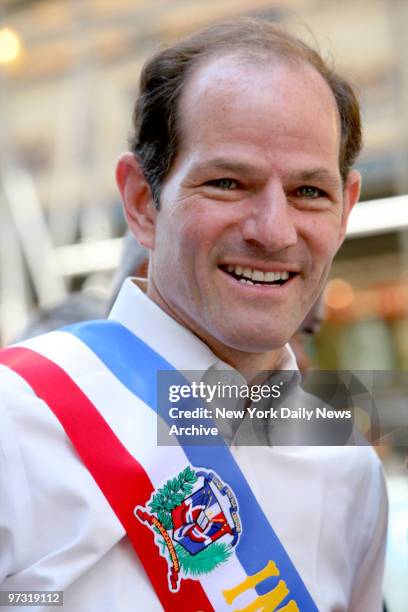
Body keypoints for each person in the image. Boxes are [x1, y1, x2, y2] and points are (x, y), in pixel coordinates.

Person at [0, 18, 387, 612]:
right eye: (228, 182)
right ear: (141, 202)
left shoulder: (348, 464)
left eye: (310, 192)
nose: (274, 231)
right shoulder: (16, 415)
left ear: (346, 210)